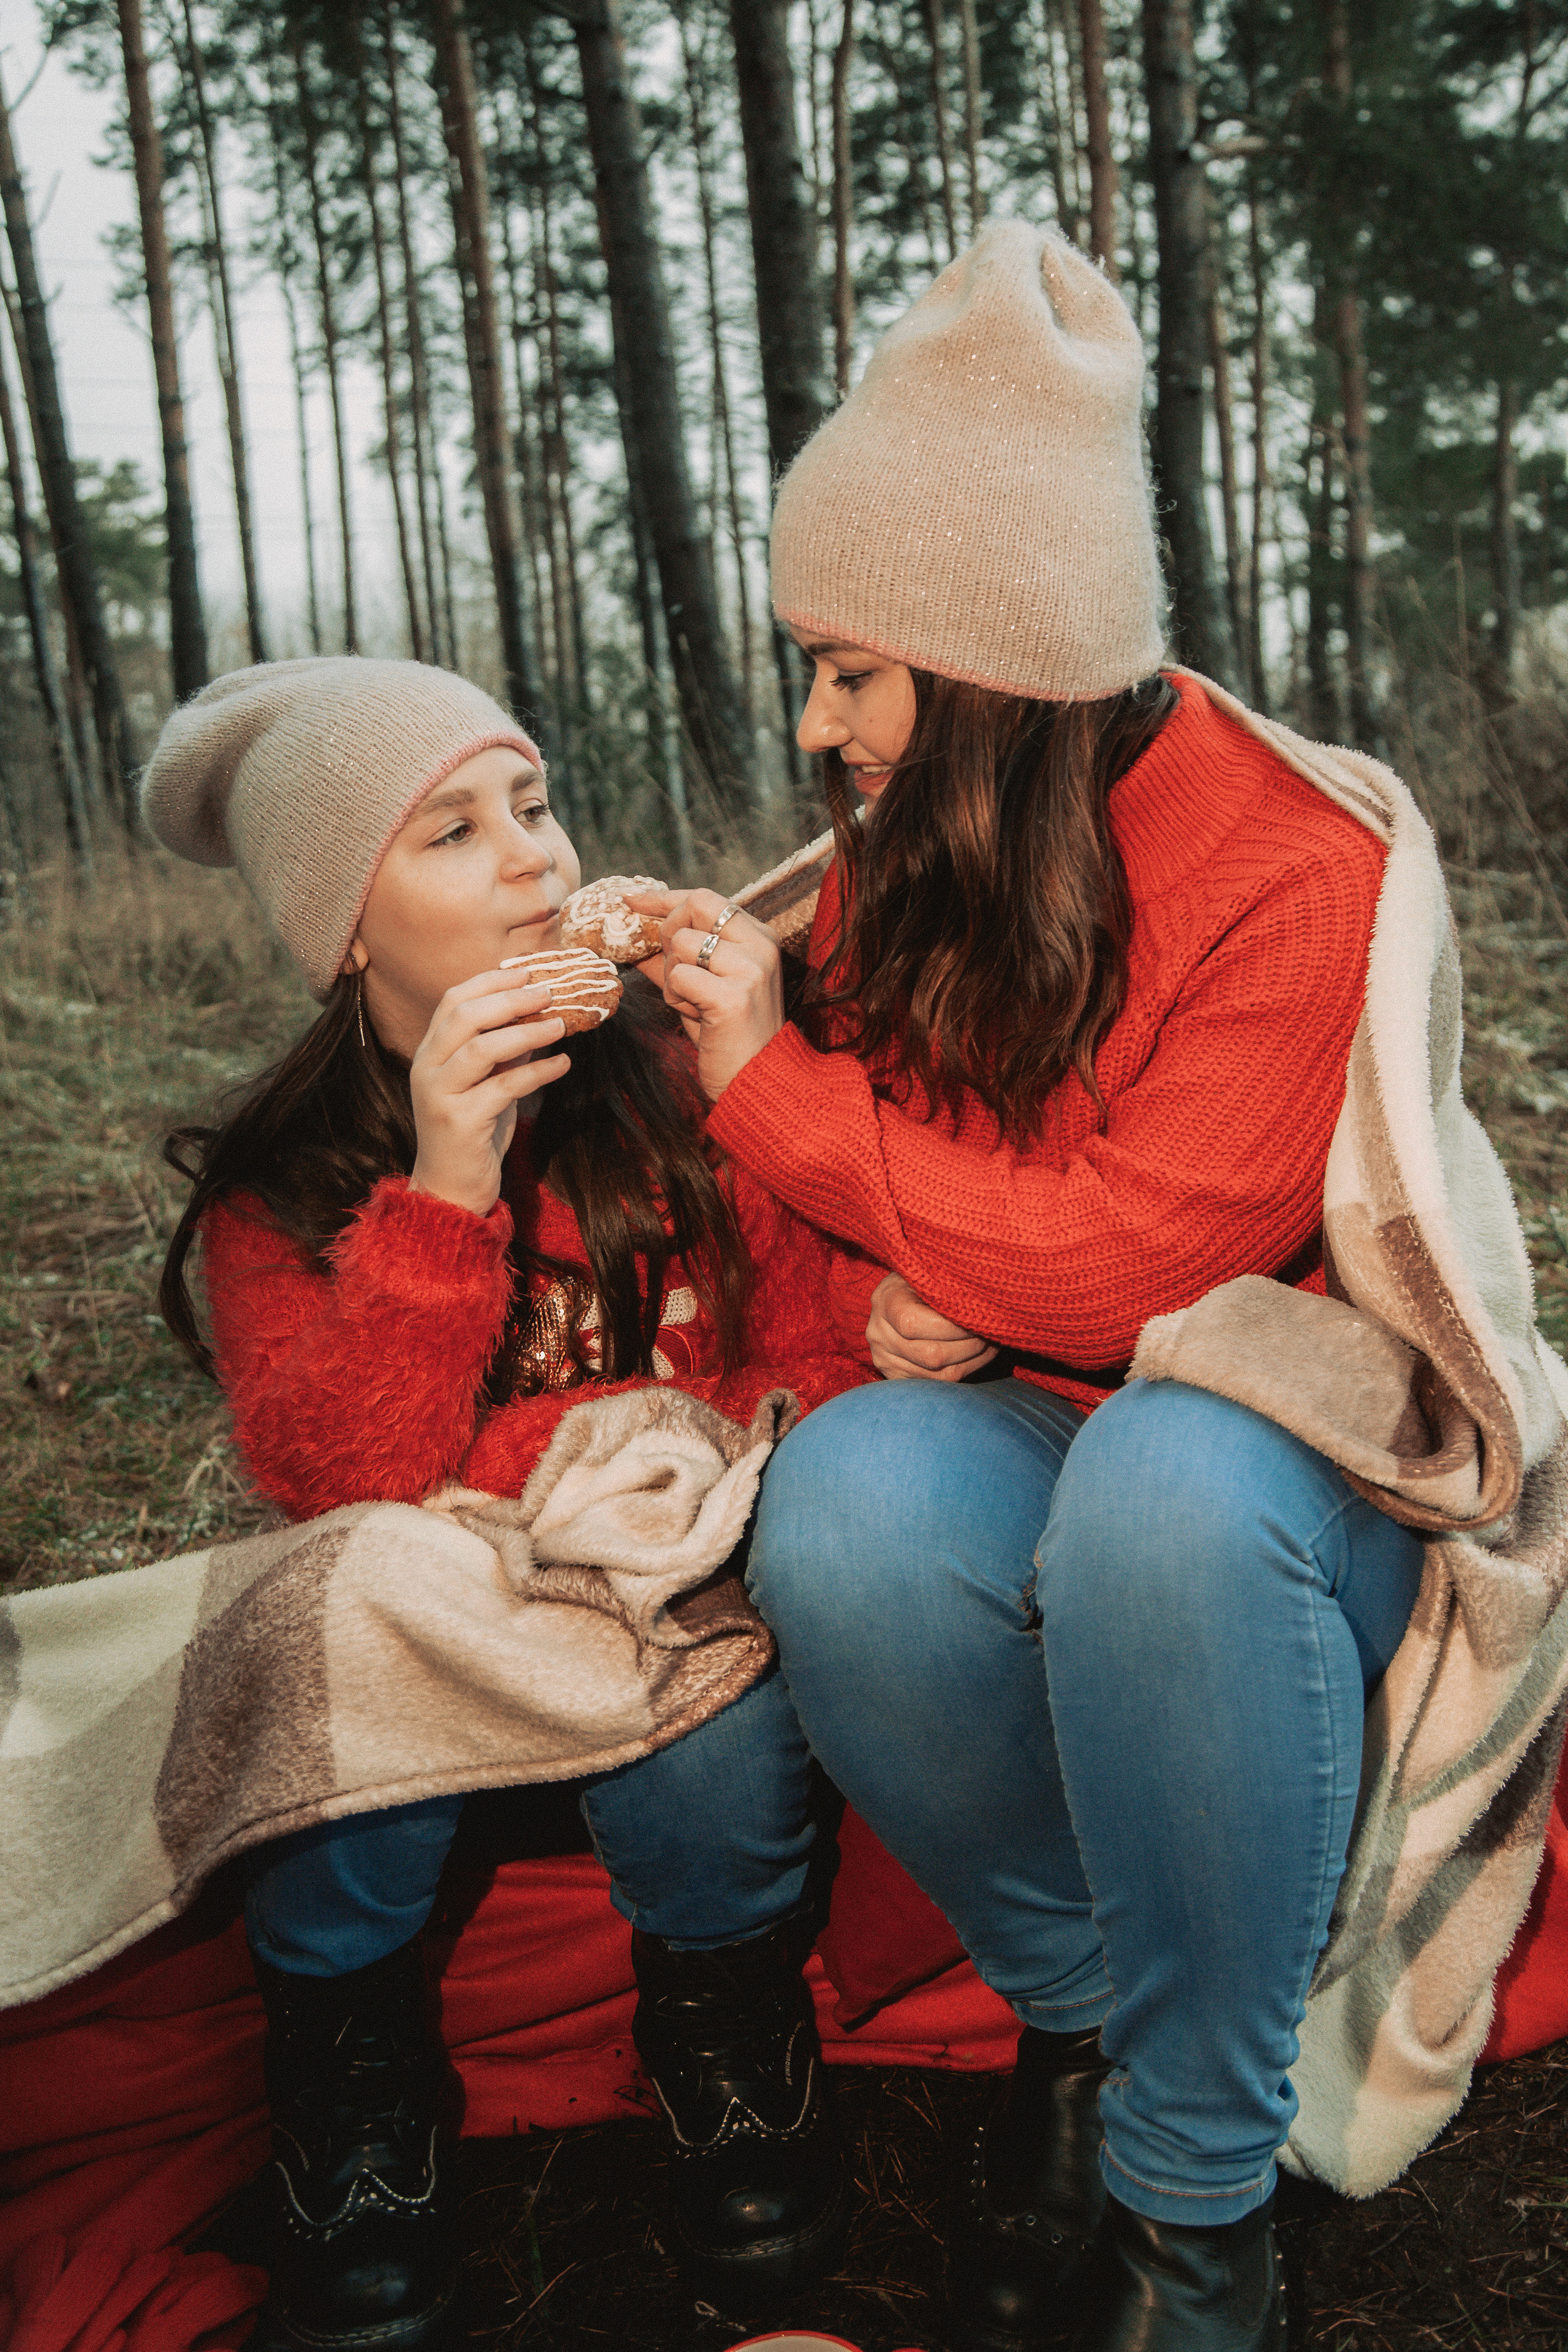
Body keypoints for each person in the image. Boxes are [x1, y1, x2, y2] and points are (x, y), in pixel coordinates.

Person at [641, 221, 1564, 2352]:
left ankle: (1193, 2201)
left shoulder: (1291, 862)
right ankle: (1081, 2021)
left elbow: (1153, 1254)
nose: (813, 722)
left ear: (991, 665)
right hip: (1044, 1422)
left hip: (1298, 1485)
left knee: (1164, 1480)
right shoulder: (933, 835)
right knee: (849, 1498)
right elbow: (928, 1171)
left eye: (852, 669)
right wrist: (911, 1235)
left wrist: (802, 1113)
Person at [141, 658, 856, 2352]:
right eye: (457, 832)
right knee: (331, 1617)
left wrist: (763, 1067)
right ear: (348, 934)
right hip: (427, 1664)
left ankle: (725, 2038)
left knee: (716, 1712)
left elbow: (809, 1374)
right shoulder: (288, 1188)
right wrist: (449, 1185)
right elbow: (339, 1488)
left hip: (667, 1632)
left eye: (534, 805)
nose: (538, 860)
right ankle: (351, 2080)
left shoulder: (683, 1089)